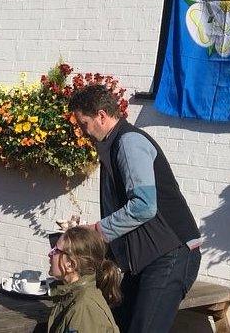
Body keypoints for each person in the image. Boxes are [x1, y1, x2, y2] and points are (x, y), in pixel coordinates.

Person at [68, 84, 201, 333]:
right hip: (146, 260)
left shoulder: (129, 143)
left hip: (170, 254)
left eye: (83, 122)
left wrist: (97, 230)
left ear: (101, 116)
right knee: (117, 323)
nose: (82, 130)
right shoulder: (112, 146)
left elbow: (143, 206)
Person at [47, 227, 122, 333]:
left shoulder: (84, 308)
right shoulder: (72, 295)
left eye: (56, 251)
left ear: (70, 265)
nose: (50, 254)